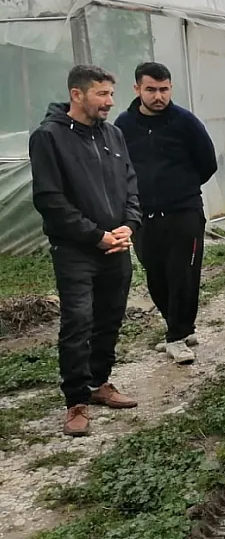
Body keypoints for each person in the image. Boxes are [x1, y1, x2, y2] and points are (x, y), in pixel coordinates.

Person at [29, 64, 142, 437]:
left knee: (110, 317)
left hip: (116, 245)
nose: (110, 101)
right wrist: (96, 236)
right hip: (76, 249)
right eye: (102, 94)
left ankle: (99, 383)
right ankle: (75, 399)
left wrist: (130, 223)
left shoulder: (113, 135)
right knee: (78, 321)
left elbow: (129, 183)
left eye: (111, 93)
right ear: (76, 95)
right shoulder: (49, 137)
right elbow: (50, 200)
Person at [116, 62, 218, 365]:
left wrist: (181, 188)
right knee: (156, 275)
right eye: (151, 89)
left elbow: (207, 163)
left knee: (184, 274)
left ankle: (176, 335)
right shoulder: (123, 126)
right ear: (137, 90)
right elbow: (118, 166)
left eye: (164, 89)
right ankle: (181, 329)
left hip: (183, 212)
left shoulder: (185, 122)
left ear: (170, 88)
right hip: (143, 215)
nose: (158, 95)